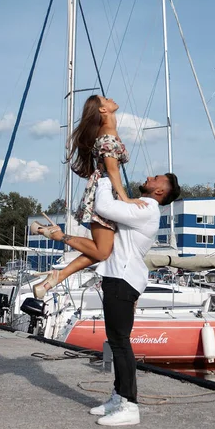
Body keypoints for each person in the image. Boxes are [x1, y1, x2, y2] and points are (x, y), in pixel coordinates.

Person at [50, 172, 181, 426]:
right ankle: (118, 396)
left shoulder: (147, 209)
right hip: (117, 278)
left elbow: (103, 207)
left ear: (159, 192)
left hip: (124, 280)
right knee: (116, 340)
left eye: (156, 178)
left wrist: (105, 177)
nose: (149, 176)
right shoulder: (138, 206)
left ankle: (130, 406)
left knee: (120, 343)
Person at [31, 94, 146, 299]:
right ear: (103, 110)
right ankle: (55, 234)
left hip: (107, 191)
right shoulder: (107, 135)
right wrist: (126, 199)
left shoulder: (109, 131)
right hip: (105, 193)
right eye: (105, 99)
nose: (111, 98)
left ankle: (57, 277)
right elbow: (112, 170)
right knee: (103, 252)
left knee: (103, 250)